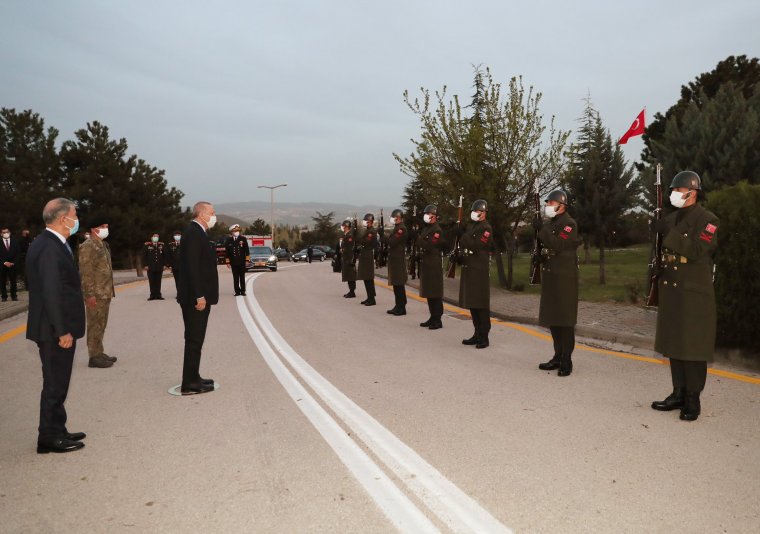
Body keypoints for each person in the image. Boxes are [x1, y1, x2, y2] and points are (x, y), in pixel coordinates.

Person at [651, 171, 719, 421]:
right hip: (672, 287)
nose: (674, 195)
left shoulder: (708, 220)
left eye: (678, 190)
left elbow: (698, 250)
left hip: (693, 291)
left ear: (692, 192)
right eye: (673, 190)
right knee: (675, 342)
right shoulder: (670, 217)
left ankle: (693, 398)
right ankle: (678, 392)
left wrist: (667, 233)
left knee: (693, 345)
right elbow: (663, 250)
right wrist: (657, 266)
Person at [26, 198, 87, 453]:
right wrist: (62, 331)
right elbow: (51, 292)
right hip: (54, 329)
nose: (76, 219)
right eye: (74, 215)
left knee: (59, 381)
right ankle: (48, 437)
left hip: (54, 326)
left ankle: (58, 428)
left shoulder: (51, 243)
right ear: (64, 219)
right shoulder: (50, 247)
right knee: (54, 382)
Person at [533, 190, 581, 377]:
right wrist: (540, 257)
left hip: (564, 277)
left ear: (562, 205)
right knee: (554, 318)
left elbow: (558, 245)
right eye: (547, 203)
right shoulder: (551, 223)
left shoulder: (569, 224)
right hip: (552, 275)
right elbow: (547, 248)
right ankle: (557, 355)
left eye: (552, 203)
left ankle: (566, 359)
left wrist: (541, 230)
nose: (548, 206)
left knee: (565, 320)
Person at [177, 201, 219, 395]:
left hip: (197, 295)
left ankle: (194, 376)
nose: (214, 216)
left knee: (196, 339)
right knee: (194, 339)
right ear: (201, 214)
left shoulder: (198, 232)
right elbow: (192, 267)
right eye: (212, 212)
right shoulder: (194, 233)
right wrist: (199, 295)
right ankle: (189, 383)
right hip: (196, 298)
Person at [78, 216, 116, 369]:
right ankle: (93, 356)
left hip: (105, 291)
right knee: (94, 324)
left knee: (101, 324)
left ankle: (99, 352)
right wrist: (89, 295)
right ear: (94, 229)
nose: (106, 229)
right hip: (96, 294)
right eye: (103, 226)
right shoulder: (88, 246)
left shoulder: (102, 244)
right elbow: (86, 272)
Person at [459, 199, 493, 349]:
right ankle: (477, 333)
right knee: (473, 303)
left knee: (481, 303)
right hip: (470, 267)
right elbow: (464, 244)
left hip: (479, 269)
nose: (474, 213)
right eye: (473, 210)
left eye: (477, 211)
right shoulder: (473, 226)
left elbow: (477, 245)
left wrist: (464, 236)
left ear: (484, 213)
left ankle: (484, 336)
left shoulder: (486, 228)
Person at [417, 204, 445, 329]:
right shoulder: (426, 229)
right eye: (426, 214)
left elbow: (430, 245)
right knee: (429, 291)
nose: (426, 216)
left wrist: (419, 240)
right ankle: (432, 317)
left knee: (435, 292)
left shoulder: (437, 230)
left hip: (434, 264)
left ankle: (438, 320)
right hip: (427, 263)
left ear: (434, 216)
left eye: (429, 214)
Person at [386, 209, 408, 316]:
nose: (392, 218)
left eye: (393, 216)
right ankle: (397, 305)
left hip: (398, 259)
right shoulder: (397, 228)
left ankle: (402, 307)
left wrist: (385, 237)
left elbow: (392, 242)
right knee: (396, 284)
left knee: (399, 284)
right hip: (394, 259)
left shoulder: (401, 229)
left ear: (398, 217)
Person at [357, 213, 377, 306]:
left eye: (366, 221)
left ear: (370, 221)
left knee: (368, 278)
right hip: (365, 255)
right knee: (366, 278)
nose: (365, 222)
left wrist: (361, 240)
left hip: (368, 255)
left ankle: (372, 299)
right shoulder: (367, 230)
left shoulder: (371, 231)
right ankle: (369, 297)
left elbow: (365, 241)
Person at [225, 224, 249, 296]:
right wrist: (228, 262)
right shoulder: (229, 240)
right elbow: (227, 252)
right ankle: (237, 292)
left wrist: (247, 260)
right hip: (233, 262)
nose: (237, 232)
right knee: (235, 278)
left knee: (242, 277)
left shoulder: (243, 239)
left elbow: (246, 250)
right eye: (235, 231)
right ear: (232, 232)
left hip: (242, 262)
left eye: (238, 231)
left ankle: (243, 291)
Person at [143, 233, 165, 300]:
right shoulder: (147, 245)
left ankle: (158, 295)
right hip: (150, 267)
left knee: (158, 281)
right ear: (151, 238)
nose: (156, 238)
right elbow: (144, 256)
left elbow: (164, 256)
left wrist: (164, 265)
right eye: (154, 236)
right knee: (152, 281)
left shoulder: (161, 245)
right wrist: (145, 265)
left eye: (157, 237)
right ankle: (152, 295)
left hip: (159, 266)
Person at [1, 227, 21, 301]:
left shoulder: (15, 241)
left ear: (9, 232)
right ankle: (4, 296)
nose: (5, 233)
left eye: (7, 232)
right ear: (1, 234)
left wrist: (13, 262)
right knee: (2, 281)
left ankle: (14, 296)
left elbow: (18, 253)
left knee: (13, 281)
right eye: (3, 232)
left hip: (13, 265)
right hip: (2, 265)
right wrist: (4, 262)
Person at [340, 220, 357, 298]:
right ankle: (351, 291)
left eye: (343, 226)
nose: (342, 227)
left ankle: (352, 292)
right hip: (346, 258)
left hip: (349, 258)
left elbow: (350, 248)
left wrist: (343, 250)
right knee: (348, 275)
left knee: (350, 276)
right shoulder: (346, 235)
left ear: (346, 226)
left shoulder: (349, 235)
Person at [166, 230, 182, 299]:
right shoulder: (170, 245)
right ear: (173, 237)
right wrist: (169, 265)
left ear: (181, 236)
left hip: (184, 267)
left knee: (184, 281)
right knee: (177, 281)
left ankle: (185, 294)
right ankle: (179, 294)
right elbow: (168, 255)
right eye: (176, 235)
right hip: (175, 266)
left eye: (178, 235)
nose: (177, 236)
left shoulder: (185, 244)